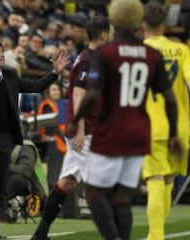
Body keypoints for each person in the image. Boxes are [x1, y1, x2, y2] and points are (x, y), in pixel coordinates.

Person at [66, 0, 184, 240]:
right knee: (122, 198)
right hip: (140, 132)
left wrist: (75, 119)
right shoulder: (151, 54)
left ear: (115, 19)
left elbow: (93, 94)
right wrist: (173, 134)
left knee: (95, 192)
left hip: (112, 129)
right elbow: (170, 99)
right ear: (137, 20)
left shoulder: (105, 53)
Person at [0, 42, 69, 240]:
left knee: (1, 184)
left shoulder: (10, 75)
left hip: (6, 139)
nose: (2, 55)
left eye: (2, 52)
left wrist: (55, 72)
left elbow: (34, 86)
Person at [31, 15, 113, 240]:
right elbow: (78, 94)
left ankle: (40, 233)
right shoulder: (88, 60)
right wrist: (79, 128)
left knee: (66, 182)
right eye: (111, 32)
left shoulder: (92, 58)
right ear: (104, 34)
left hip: (89, 129)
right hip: (85, 132)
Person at [141, 3, 190, 240]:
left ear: (143, 25)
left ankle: (156, 236)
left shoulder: (138, 51)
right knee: (169, 179)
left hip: (150, 124)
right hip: (180, 126)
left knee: (155, 179)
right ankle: (154, 235)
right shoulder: (181, 50)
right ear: (165, 24)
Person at [37, 82, 66, 190]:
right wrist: (64, 139)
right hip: (52, 144)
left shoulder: (59, 105)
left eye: (58, 89)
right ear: (48, 93)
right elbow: (52, 127)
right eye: (53, 90)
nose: (56, 92)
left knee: (57, 173)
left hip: (59, 142)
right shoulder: (46, 106)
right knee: (53, 174)